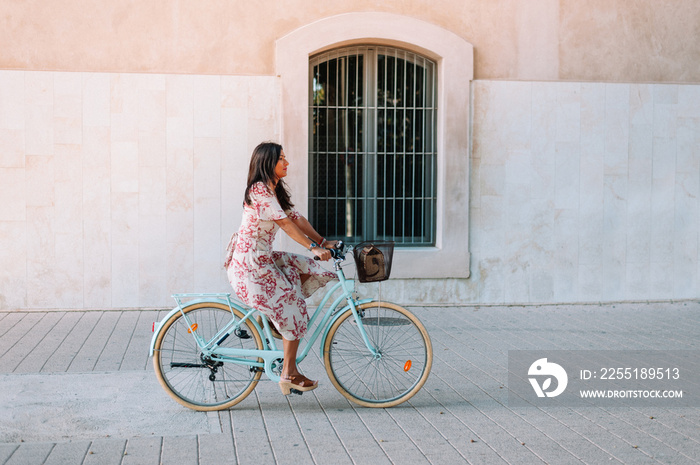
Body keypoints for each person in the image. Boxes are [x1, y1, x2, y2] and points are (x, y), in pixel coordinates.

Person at [224, 141, 337, 395]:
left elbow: (296, 218)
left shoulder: (274, 190)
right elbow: (285, 224)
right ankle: (289, 372)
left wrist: (321, 241)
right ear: (268, 162)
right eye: (281, 159)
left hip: (264, 260)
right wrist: (313, 248)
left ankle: (280, 321)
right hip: (250, 266)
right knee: (294, 305)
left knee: (310, 269)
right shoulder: (259, 190)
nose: (286, 163)